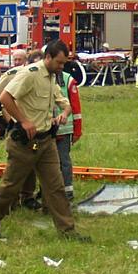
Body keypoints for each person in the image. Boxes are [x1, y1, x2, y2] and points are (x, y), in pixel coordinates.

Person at [0, 40, 90, 242]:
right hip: (25, 143)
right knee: (10, 187)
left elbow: (62, 101)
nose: (61, 67)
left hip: (46, 140)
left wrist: (63, 113)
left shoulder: (51, 77)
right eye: (59, 62)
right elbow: (4, 98)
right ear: (48, 57)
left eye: (64, 63)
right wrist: (23, 121)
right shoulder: (30, 74)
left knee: (55, 187)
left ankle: (67, 231)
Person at [0, 48, 41, 210]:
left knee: (32, 161)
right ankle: (10, 200)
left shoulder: (44, 76)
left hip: (35, 125)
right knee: (15, 165)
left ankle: (28, 196)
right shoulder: (12, 75)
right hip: (16, 124)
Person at [55, 67, 82, 201]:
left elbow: (75, 107)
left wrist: (77, 130)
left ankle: (67, 190)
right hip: (45, 128)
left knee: (63, 160)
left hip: (63, 129)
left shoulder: (68, 80)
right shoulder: (40, 77)